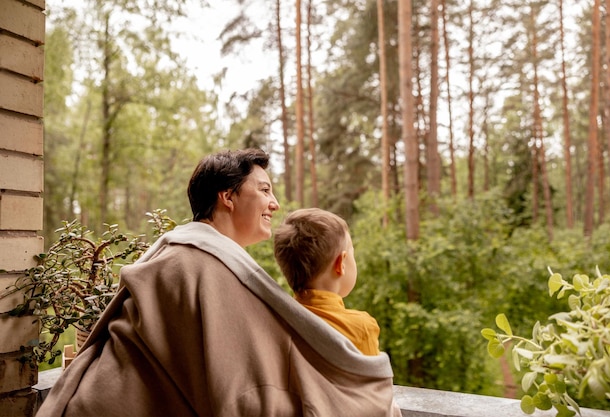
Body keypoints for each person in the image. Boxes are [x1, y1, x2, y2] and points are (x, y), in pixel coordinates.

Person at [37, 148, 401, 417]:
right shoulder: (197, 266)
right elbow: (242, 387)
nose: (274, 203)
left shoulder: (196, 258)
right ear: (227, 197)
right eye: (263, 190)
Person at [273, 207, 380, 356]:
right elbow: (374, 379)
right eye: (352, 254)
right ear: (340, 263)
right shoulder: (361, 328)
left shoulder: (276, 325)